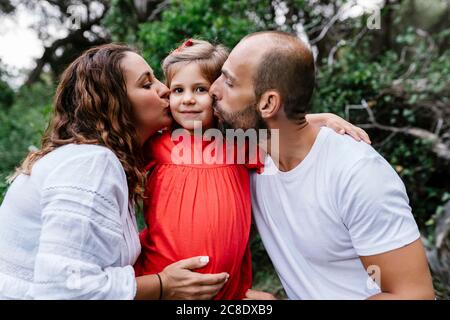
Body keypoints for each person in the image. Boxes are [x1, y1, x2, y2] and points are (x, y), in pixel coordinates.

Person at [134, 39, 371, 299]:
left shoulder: (238, 144)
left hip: (228, 291)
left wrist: (322, 118)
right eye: (178, 90)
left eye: (199, 89)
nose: (187, 99)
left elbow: (280, 124)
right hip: (165, 282)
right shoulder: (155, 145)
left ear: (216, 94)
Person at [210, 31, 435, 300]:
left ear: (269, 103)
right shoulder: (252, 157)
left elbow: (413, 295)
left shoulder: (358, 174)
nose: (213, 89)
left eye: (229, 83)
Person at [0, 43, 229, 300]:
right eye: (146, 84)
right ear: (114, 103)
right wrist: (163, 285)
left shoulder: (97, 160)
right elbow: (64, 289)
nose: (164, 90)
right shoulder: (90, 164)